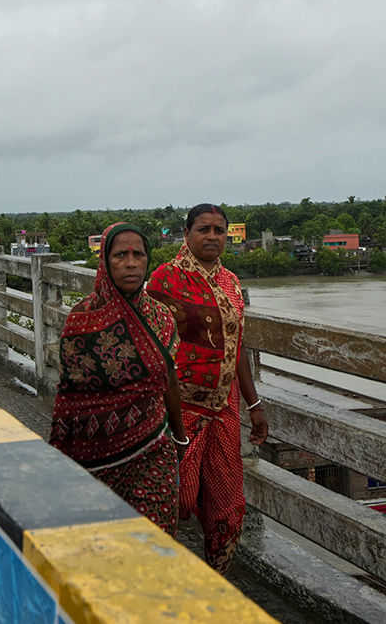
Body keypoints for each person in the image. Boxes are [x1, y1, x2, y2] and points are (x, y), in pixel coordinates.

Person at [147, 203, 269, 572]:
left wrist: (254, 404)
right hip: (176, 409)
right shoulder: (163, 280)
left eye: (220, 230)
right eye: (204, 229)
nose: (213, 236)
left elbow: (237, 345)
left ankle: (216, 580)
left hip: (224, 407)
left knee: (226, 501)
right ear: (187, 234)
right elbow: (150, 347)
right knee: (170, 500)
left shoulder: (230, 282)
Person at [49, 222, 187, 533]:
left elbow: (169, 381)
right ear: (105, 261)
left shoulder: (162, 317)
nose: (130, 263)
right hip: (96, 456)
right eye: (120, 255)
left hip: (153, 448)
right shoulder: (82, 319)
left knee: (155, 542)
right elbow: (71, 397)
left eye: (138, 255)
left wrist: (179, 436)